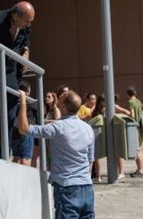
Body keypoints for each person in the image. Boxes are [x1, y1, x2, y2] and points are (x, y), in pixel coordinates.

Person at [18, 89, 95, 218]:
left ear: (63, 106)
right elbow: (90, 162)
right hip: (87, 187)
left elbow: (24, 128)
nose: (58, 97)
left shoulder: (58, 127)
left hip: (67, 187)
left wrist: (23, 102)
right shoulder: (88, 129)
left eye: (61, 97)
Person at [0, 1, 34, 155]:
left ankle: (3, 151)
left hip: (10, 72)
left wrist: (26, 52)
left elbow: (26, 41)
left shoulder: (25, 26)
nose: (28, 25)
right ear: (15, 15)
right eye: (26, 21)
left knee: (10, 113)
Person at [12, 80, 35, 165]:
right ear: (28, 90)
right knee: (26, 157)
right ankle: (26, 178)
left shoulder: (14, 102)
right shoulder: (30, 102)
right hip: (26, 129)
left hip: (15, 128)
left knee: (16, 157)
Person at [126, 86, 143, 178]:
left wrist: (126, 114)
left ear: (128, 94)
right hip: (141, 128)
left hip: (135, 128)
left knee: (137, 150)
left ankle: (140, 170)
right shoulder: (139, 102)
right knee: (139, 150)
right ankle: (141, 169)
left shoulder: (131, 102)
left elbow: (132, 115)